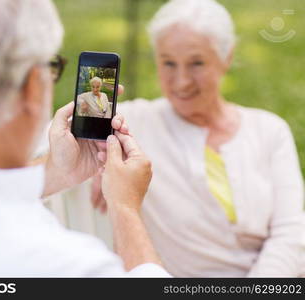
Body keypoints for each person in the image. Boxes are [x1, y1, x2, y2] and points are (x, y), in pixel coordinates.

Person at [0, 0, 169, 277]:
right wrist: (125, 208)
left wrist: (56, 172)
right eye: (52, 67)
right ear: (33, 87)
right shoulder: (70, 267)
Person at [64, 0, 304, 277]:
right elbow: (35, 147)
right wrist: (92, 150)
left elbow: (289, 233)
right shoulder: (134, 123)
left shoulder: (269, 130)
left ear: (227, 57)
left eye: (197, 63)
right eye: (168, 63)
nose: (181, 82)